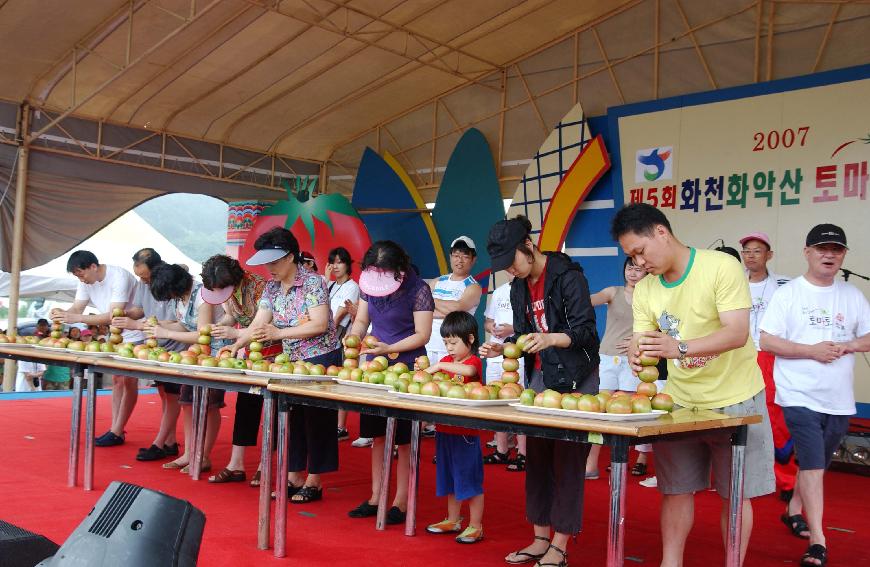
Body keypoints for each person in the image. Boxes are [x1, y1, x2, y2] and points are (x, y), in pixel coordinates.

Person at [611, 203, 774, 567]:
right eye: (631, 257)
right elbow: (642, 339)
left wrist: (678, 348)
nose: (638, 264)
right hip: (681, 403)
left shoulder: (721, 267)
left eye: (640, 251)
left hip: (737, 399)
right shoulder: (647, 289)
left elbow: (736, 333)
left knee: (736, 495)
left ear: (661, 233)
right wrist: (640, 357)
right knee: (676, 490)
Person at [481, 216, 599, 567]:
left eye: (511, 262)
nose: (510, 272)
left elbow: (587, 333)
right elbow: (520, 335)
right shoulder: (518, 286)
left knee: (567, 459)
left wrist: (550, 339)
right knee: (536, 458)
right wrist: (504, 348)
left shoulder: (568, 276)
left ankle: (560, 545)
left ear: (528, 245)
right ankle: (539, 538)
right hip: (542, 374)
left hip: (578, 375)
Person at [759, 224, 870, 567]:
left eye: (836, 250)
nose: (829, 254)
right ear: (807, 252)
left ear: (844, 256)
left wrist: (848, 344)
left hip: (837, 399)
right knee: (813, 466)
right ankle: (819, 542)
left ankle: (793, 508)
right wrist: (812, 351)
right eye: (822, 248)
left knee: (815, 465)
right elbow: (767, 341)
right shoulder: (789, 293)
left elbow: (867, 337)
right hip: (798, 395)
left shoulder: (851, 295)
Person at [231, 228, 341, 503]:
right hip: (290, 361)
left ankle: (314, 481)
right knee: (291, 418)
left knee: (317, 420)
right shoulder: (271, 287)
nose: (271, 268)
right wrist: (237, 344)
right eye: (267, 263)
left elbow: (319, 324)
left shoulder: (314, 283)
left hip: (320, 358)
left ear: (291, 256)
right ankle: (293, 475)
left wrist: (278, 334)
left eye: (275, 262)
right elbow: (259, 322)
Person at [346, 240, 434, 525]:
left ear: (399, 269)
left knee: (405, 439)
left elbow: (423, 335)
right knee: (377, 434)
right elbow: (361, 321)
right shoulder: (367, 286)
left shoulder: (418, 290)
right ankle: (376, 495)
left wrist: (389, 347)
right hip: (375, 367)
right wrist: (355, 338)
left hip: (408, 368)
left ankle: (401, 501)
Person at [50, 250, 145, 447]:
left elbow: (113, 314)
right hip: (117, 334)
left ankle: (117, 430)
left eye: (81, 274)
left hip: (137, 330)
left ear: (93, 266)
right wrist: (61, 314)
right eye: (77, 276)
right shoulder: (85, 280)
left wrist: (77, 318)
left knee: (128, 381)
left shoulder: (118, 276)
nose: (81, 279)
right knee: (118, 381)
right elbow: (77, 308)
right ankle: (116, 429)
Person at [204, 254, 280, 485]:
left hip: (274, 350)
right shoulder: (227, 291)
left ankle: (265, 464)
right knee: (246, 405)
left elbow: (263, 324)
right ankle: (236, 464)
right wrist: (220, 327)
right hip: (248, 352)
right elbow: (231, 315)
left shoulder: (259, 287)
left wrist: (236, 336)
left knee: (272, 409)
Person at [146, 263, 230, 473]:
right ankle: (189, 453)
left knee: (209, 405)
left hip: (215, 354)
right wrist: (161, 327)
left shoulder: (203, 295)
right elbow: (184, 326)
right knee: (187, 402)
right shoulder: (180, 298)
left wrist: (166, 333)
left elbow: (203, 334)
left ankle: (203, 456)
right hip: (193, 355)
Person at [738, 231, 797, 501]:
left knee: (774, 416)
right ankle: (740, 475)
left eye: (757, 250)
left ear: (769, 255)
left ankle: (785, 480)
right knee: (737, 413)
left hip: (768, 356)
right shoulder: (734, 283)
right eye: (746, 251)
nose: (750, 255)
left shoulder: (784, 285)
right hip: (737, 355)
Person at [585, 257, 655, 481]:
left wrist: (639, 340)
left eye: (639, 269)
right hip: (607, 357)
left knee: (624, 413)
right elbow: (589, 301)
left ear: (647, 273)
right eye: (630, 268)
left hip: (634, 359)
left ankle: (621, 461)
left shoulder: (652, 298)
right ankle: (591, 464)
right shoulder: (613, 292)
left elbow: (663, 326)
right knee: (600, 411)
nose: (633, 273)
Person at [111, 248, 182, 462]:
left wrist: (135, 324)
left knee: (172, 397)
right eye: (139, 276)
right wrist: (125, 314)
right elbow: (141, 310)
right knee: (165, 395)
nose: (142, 280)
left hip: (177, 347)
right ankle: (169, 441)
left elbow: (175, 322)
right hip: (157, 346)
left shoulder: (169, 283)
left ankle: (159, 443)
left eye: (144, 276)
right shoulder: (144, 284)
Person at [422, 311, 485, 544]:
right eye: (446, 342)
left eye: (454, 342)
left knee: (469, 479)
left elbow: (469, 372)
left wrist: (438, 366)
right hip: (444, 429)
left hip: (465, 431)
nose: (449, 347)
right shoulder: (447, 362)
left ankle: (476, 525)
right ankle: (453, 519)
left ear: (470, 339)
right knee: (449, 478)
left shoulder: (472, 361)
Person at [425, 236, 482, 437]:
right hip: (429, 339)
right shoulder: (437, 280)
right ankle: (425, 425)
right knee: (426, 383)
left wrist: (434, 302)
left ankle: (446, 427)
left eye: (465, 255)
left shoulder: (473, 286)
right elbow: (424, 308)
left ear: (473, 259)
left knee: (449, 387)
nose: (459, 259)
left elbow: (458, 309)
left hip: (455, 347)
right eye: (456, 255)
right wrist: (444, 308)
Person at [482, 277, 527, 471]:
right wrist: (491, 327)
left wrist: (512, 329)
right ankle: (502, 449)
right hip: (495, 352)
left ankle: (523, 453)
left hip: (520, 352)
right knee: (496, 401)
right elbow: (488, 321)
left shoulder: (529, 289)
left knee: (521, 403)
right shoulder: (500, 290)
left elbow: (536, 325)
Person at [325, 247, 360, 441]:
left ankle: (341, 426)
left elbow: (338, 317)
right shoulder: (329, 284)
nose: (336, 266)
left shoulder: (351, 286)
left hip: (339, 338)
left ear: (348, 264)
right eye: (333, 262)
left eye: (340, 262)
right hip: (325, 337)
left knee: (340, 379)